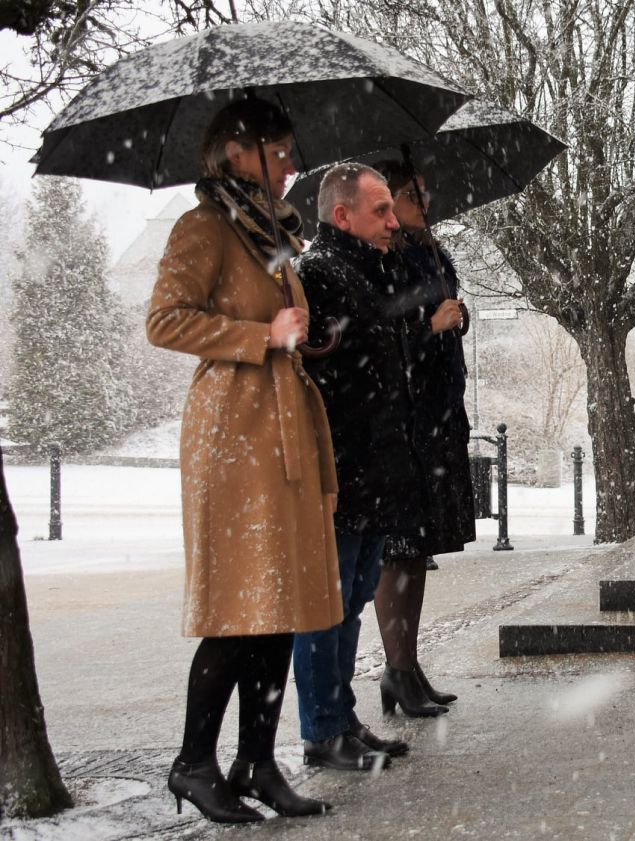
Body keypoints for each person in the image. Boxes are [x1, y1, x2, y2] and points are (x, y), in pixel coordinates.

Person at [147, 99, 340, 823]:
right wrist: (261, 333)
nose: (290, 162)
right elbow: (165, 319)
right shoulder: (204, 227)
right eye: (279, 150)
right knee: (240, 607)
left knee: (279, 603)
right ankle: (194, 760)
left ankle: (256, 759)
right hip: (234, 431)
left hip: (283, 424)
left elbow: (288, 323)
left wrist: (301, 333)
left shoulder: (274, 231)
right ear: (235, 151)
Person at [290, 162, 425, 770]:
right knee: (328, 604)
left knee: (351, 603)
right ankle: (322, 730)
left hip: (374, 466)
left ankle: (341, 718)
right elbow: (328, 374)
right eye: (380, 211)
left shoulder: (365, 268)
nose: (392, 221)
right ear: (341, 214)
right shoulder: (319, 272)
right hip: (344, 467)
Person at [370, 159, 476, 716]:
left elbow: (439, 312)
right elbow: (380, 331)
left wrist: (459, 317)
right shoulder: (385, 257)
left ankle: (408, 668)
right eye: (410, 192)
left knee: (419, 552)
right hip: (405, 416)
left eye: (421, 190)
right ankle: (398, 669)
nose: (424, 198)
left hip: (437, 411)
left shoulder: (431, 249)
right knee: (400, 550)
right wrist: (428, 326)